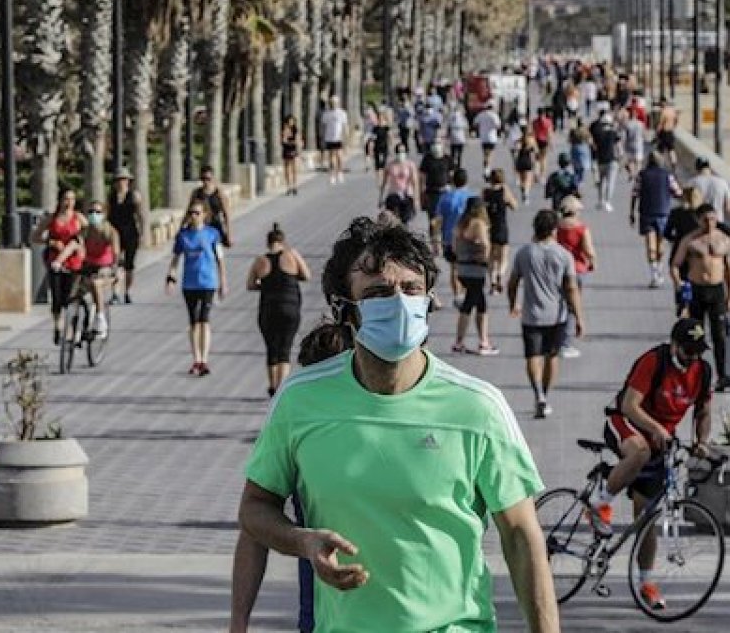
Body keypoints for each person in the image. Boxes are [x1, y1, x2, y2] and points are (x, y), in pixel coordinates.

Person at [234, 217, 560, 633]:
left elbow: (520, 535)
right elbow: (255, 508)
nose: (399, 303)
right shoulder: (301, 399)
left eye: (411, 289)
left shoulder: (478, 407)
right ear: (344, 311)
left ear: (428, 301)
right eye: (379, 293)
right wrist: (302, 541)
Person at [586, 318, 713, 612]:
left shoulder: (702, 372)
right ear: (674, 345)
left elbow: (704, 411)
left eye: (698, 351)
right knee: (639, 452)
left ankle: (646, 583)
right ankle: (599, 503)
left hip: (661, 441)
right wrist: (655, 427)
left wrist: (701, 442)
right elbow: (630, 404)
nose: (693, 357)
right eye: (688, 351)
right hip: (625, 423)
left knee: (646, 519)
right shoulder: (653, 361)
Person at [509, 209, 586, 418]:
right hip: (557, 315)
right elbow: (571, 288)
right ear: (554, 230)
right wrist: (579, 317)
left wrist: (512, 303)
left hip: (531, 315)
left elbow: (513, 281)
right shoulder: (563, 255)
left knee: (533, 356)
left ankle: (538, 394)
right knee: (552, 356)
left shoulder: (524, 252)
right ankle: (545, 395)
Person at [671, 204, 730, 391]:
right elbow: (676, 264)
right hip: (696, 290)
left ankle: (722, 375)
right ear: (698, 220)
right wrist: (680, 286)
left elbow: (729, 269)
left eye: (713, 219)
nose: (710, 223)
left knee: (719, 335)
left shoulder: (724, 240)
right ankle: (695, 375)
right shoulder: (691, 241)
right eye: (706, 219)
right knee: (696, 335)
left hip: (716, 291)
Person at [247, 224, 311, 397]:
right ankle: (281, 387)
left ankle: (272, 385)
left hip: (269, 307)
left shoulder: (260, 260)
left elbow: (250, 284)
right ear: (283, 242)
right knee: (285, 347)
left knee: (271, 348)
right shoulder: (291, 255)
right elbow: (307, 275)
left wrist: (267, 285)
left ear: (268, 243)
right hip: (290, 307)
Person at [167, 200, 227, 377]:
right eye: (191, 213)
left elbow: (220, 259)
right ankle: (197, 359)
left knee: (204, 320)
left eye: (197, 213)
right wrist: (171, 276)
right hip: (189, 284)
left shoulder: (212, 234)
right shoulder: (183, 236)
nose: (194, 216)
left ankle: (205, 359)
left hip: (208, 282)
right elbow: (176, 258)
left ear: (205, 215)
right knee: (193, 322)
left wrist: (223, 281)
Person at [30, 187, 85, 344]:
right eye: (66, 199)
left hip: (74, 262)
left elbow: (90, 232)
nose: (69, 203)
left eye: (72, 199)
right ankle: (58, 327)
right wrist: (51, 242)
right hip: (54, 262)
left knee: (71, 296)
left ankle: (72, 329)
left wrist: (83, 245)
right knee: (57, 296)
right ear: (60, 201)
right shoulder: (51, 219)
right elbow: (35, 237)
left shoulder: (78, 218)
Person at [452, 199, 499, 355]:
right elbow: (485, 244)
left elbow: (454, 246)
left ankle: (481, 340)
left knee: (479, 304)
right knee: (471, 304)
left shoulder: (461, 224)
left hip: (463, 268)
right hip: (476, 269)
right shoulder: (478, 224)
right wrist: (487, 259)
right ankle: (477, 343)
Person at [631, 153, 682, 288]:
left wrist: (632, 213)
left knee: (650, 245)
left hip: (646, 213)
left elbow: (635, 193)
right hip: (663, 213)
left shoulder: (642, 175)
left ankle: (654, 273)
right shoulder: (667, 175)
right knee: (661, 246)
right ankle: (658, 269)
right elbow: (677, 192)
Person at [555, 196, 596, 359]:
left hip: (558, 269)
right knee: (573, 306)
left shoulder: (557, 227)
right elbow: (588, 250)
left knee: (559, 304)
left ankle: (556, 339)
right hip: (577, 269)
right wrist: (593, 261)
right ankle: (565, 343)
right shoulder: (581, 228)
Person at [81, 200, 121, 333]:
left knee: (96, 284)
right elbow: (77, 245)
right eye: (91, 212)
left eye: (98, 212)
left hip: (105, 266)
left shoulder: (110, 231)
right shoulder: (85, 231)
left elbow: (116, 252)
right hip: (88, 264)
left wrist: (115, 270)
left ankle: (100, 317)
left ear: (104, 214)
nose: (94, 214)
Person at [664, 187, 705, 314]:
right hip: (697, 254)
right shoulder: (702, 216)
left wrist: (675, 240)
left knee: (679, 278)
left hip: (679, 251)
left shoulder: (676, 213)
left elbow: (666, 232)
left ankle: (681, 299)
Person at [437, 168, 475, 304]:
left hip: (449, 238)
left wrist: (437, 239)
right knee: (466, 267)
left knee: (454, 267)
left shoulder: (445, 198)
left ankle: (457, 295)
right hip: (468, 238)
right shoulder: (472, 197)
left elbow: (439, 219)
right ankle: (464, 293)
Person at [106, 168, 144, 304]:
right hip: (115, 233)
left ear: (128, 181)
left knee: (129, 265)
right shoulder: (111, 197)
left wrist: (143, 233)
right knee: (116, 263)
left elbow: (140, 215)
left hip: (130, 233)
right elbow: (107, 214)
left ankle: (127, 291)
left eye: (124, 179)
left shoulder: (134, 196)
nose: (121, 182)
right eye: (118, 180)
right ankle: (115, 293)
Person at [483, 168, 519, 294]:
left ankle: (492, 280)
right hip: (501, 226)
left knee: (491, 257)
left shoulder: (485, 192)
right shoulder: (504, 191)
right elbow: (515, 206)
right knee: (503, 257)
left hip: (488, 228)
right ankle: (500, 274)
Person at [187, 165, 233, 248]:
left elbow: (226, 215)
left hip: (215, 227)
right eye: (203, 179)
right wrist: (182, 228)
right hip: (200, 227)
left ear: (213, 178)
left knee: (216, 254)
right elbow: (188, 212)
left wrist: (228, 234)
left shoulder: (219, 193)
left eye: (208, 179)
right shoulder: (196, 193)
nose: (205, 181)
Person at [419, 141, 452, 256]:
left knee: (444, 220)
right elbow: (422, 177)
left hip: (445, 193)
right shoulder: (427, 159)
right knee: (433, 220)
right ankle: (434, 246)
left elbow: (451, 174)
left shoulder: (447, 158)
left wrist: (451, 189)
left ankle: (443, 243)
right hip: (431, 194)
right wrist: (421, 193)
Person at [380, 142, 420, 225]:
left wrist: (416, 200)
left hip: (407, 195)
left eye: (402, 151)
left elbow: (415, 183)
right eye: (398, 151)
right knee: (391, 220)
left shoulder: (410, 165)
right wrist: (381, 197)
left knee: (405, 220)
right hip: (393, 194)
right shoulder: (390, 165)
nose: (400, 153)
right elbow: (384, 182)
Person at [591, 109, 622, 211]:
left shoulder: (597, 133)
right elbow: (619, 147)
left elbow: (594, 146)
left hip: (601, 160)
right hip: (611, 160)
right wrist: (620, 157)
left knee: (601, 182)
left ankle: (600, 201)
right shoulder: (613, 133)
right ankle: (608, 202)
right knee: (610, 182)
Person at [686, 157, 730, 222]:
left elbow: (687, 205)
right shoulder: (722, 182)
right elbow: (728, 208)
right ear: (709, 168)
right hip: (718, 221)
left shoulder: (691, 183)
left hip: (699, 222)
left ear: (697, 168)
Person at [320, 95, 349, 185]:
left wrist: (346, 137)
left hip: (339, 137)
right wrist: (322, 137)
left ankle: (340, 172)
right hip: (329, 138)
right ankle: (332, 175)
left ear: (338, 103)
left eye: (335, 102)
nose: (333, 104)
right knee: (332, 157)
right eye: (332, 102)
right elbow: (323, 126)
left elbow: (345, 126)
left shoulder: (342, 113)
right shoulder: (326, 114)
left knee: (340, 156)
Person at [474, 104, 503, 179]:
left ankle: (486, 170)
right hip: (492, 137)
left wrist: (480, 128)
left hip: (483, 137)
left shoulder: (481, 114)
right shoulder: (494, 115)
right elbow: (498, 125)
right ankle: (487, 171)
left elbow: (475, 123)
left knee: (485, 154)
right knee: (489, 154)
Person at [515, 129, 540, 205]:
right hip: (528, 161)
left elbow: (515, 150)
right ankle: (526, 193)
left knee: (522, 180)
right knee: (528, 180)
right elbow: (536, 152)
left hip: (519, 161)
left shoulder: (519, 140)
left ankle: (523, 192)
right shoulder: (532, 140)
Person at [622, 105, 646, 180]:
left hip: (629, 144)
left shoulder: (627, 124)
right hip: (638, 144)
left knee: (630, 161)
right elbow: (644, 134)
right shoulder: (641, 124)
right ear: (636, 115)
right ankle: (638, 175)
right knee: (638, 162)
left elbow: (624, 135)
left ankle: (632, 173)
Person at [568, 119, 594, 188]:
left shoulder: (573, 131)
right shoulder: (585, 131)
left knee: (575, 165)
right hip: (583, 148)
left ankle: (576, 179)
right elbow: (590, 141)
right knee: (582, 166)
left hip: (574, 148)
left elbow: (569, 140)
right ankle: (580, 180)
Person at [281, 116, 303, 196]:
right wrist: (288, 139)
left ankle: (295, 186)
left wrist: (292, 142)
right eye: (289, 121)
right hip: (286, 150)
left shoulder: (296, 130)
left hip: (294, 150)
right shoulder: (284, 130)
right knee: (287, 169)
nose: (291, 123)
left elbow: (298, 141)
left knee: (294, 169)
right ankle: (288, 187)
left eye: (292, 121)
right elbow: (283, 140)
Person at [654, 97, 679, 167]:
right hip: (670, 132)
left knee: (660, 150)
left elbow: (660, 124)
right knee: (671, 149)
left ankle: (660, 165)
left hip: (664, 132)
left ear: (661, 103)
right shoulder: (672, 111)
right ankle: (674, 163)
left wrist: (657, 133)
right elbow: (676, 120)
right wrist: (673, 127)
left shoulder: (663, 112)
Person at [531, 108, 554, 178]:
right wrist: (551, 143)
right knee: (543, 159)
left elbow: (532, 133)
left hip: (536, 141)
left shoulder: (534, 122)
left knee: (537, 158)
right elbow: (549, 133)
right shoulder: (548, 122)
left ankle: (536, 173)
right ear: (544, 113)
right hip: (544, 141)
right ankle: (542, 175)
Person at [371, 109, 392, 179]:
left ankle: (384, 176)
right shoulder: (375, 128)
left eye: (382, 117)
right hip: (377, 147)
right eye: (379, 118)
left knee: (384, 162)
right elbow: (373, 139)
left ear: (384, 118)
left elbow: (390, 136)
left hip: (384, 146)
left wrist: (391, 144)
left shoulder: (386, 128)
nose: (380, 119)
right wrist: (371, 148)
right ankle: (378, 177)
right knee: (377, 163)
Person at [362, 103, 379, 171]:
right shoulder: (365, 118)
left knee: (371, 149)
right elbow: (364, 127)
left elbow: (376, 125)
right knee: (367, 151)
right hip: (366, 135)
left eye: (370, 109)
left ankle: (373, 163)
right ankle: (367, 165)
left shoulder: (374, 116)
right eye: (368, 109)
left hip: (373, 135)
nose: (368, 112)